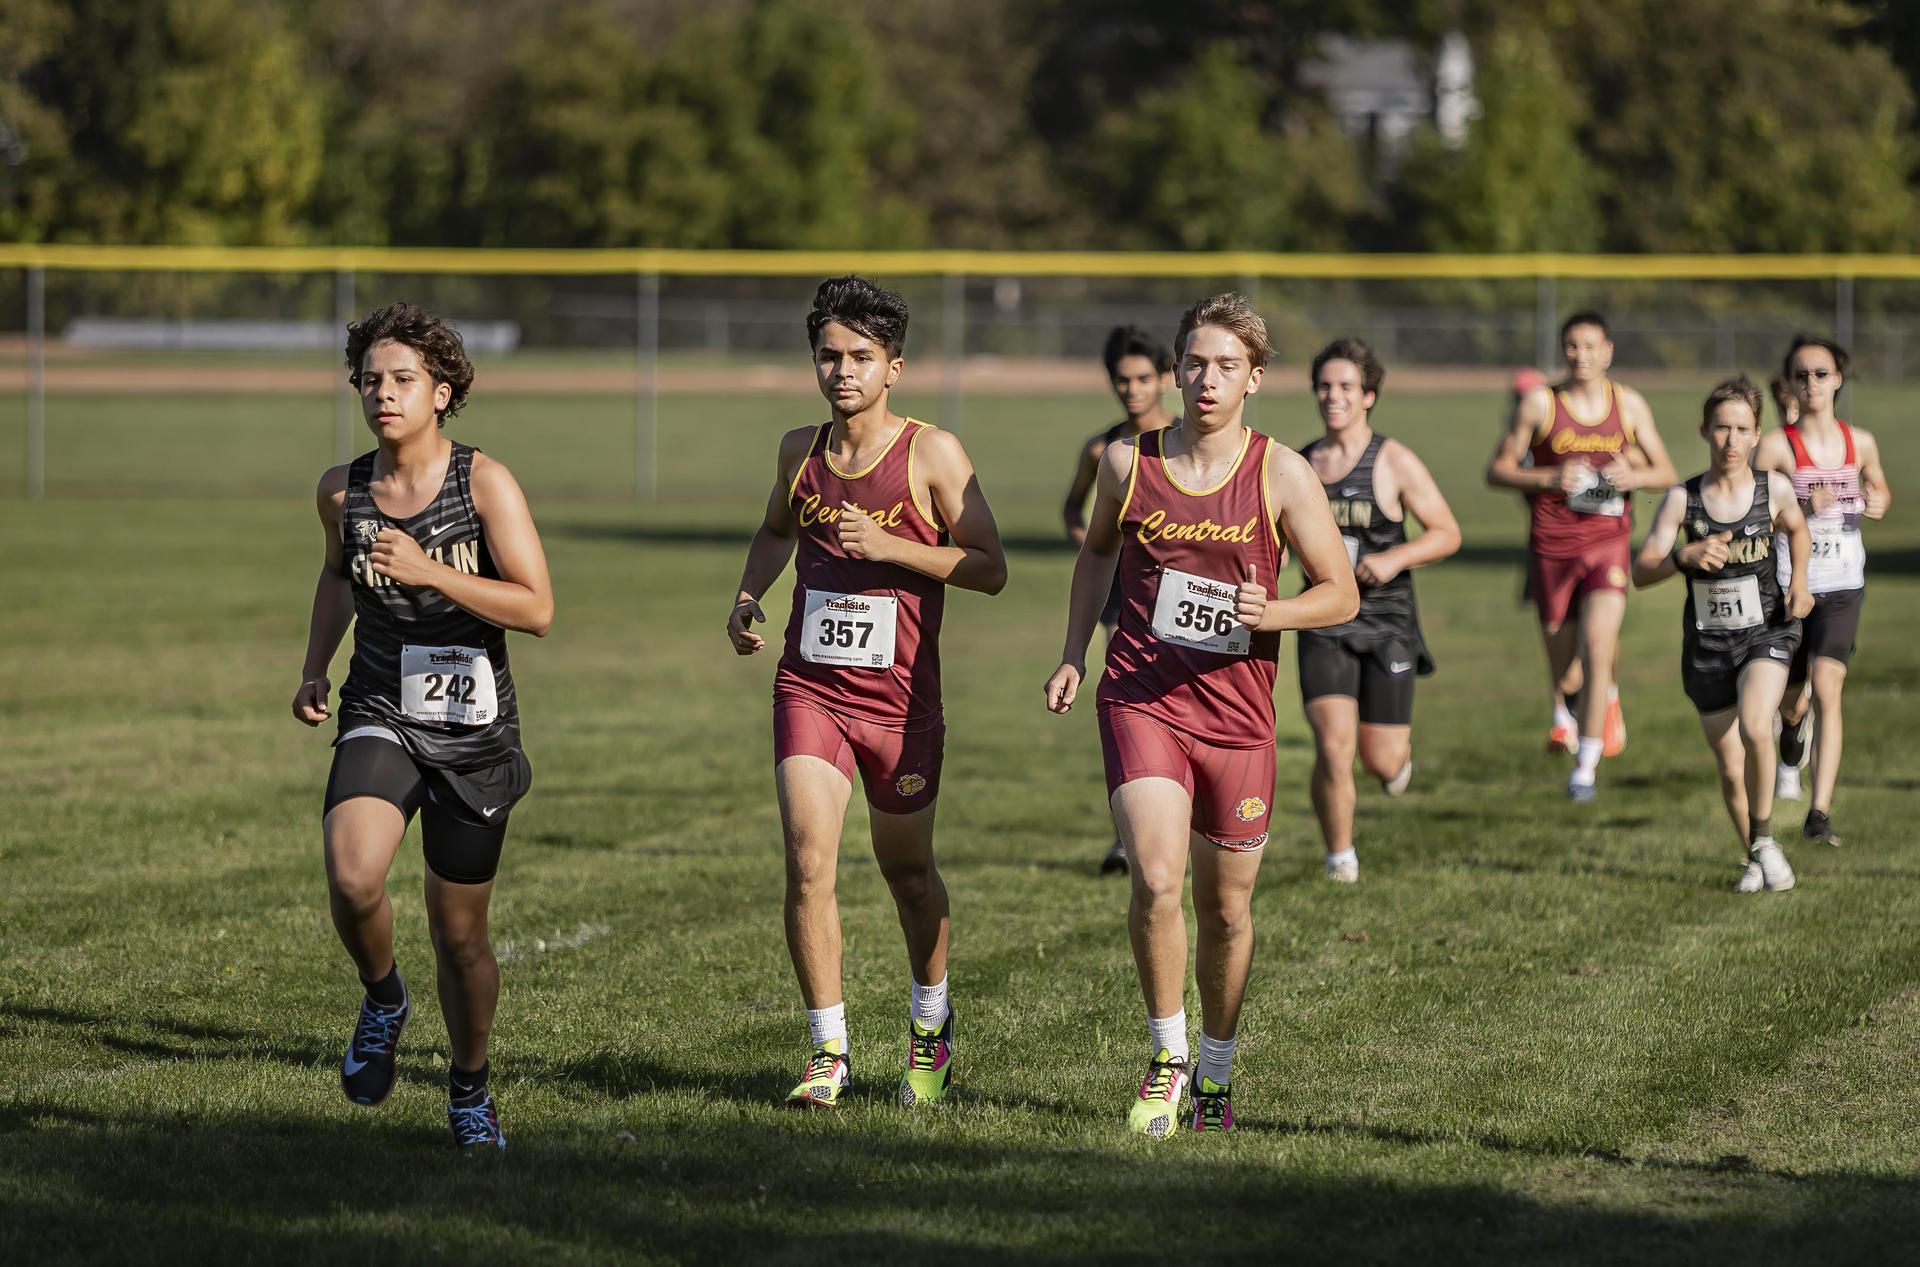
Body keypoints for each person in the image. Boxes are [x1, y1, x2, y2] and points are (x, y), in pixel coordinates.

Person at [1043, 293, 1357, 1136]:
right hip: (1143, 697)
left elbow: (1341, 591)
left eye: (1225, 366)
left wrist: (1273, 614)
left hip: (1241, 719)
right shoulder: (1126, 463)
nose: (1206, 379)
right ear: (1176, 369)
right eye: (1195, 362)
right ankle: (1167, 1055)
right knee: (1155, 875)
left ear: (1255, 378)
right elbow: (1097, 551)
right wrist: (1075, 650)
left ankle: (1215, 1067)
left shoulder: (1282, 473)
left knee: (1227, 911)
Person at [727, 276, 1007, 1110]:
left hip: (902, 704)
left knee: (908, 872)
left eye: (860, 357)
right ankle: (827, 1051)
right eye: (829, 355)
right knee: (809, 862)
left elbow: (990, 567)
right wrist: (749, 598)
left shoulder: (933, 454)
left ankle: (929, 1020)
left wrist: (893, 545)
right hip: (810, 688)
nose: (841, 371)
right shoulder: (798, 451)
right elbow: (777, 530)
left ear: (894, 368)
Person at [293, 303, 554, 1149]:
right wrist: (312, 667)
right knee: (354, 874)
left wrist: (431, 569)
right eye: (370, 380)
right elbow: (338, 578)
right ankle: (382, 996)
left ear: (441, 392)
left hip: (474, 728)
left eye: (402, 379)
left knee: (461, 934)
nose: (383, 393)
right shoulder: (344, 488)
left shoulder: (484, 482)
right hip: (380, 705)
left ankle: (470, 1087)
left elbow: (538, 608)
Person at [1487, 312, 1677, 802]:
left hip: (1606, 543)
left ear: (1608, 351)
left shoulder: (1628, 404)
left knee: (1598, 649)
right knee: (1567, 671)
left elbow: (1666, 470)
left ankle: (1585, 769)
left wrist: (1635, 476)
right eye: (1572, 346)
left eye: (1591, 346)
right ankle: (1589, 702)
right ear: (1563, 350)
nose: (1581, 355)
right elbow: (1499, 470)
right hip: (1551, 547)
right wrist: (1549, 478)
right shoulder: (1540, 404)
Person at [1630, 377, 1811, 891]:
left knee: (1757, 726)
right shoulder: (1680, 500)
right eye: (1721, 428)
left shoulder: (1771, 488)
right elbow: (1641, 572)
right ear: (1705, 431)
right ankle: (1756, 852)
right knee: (1732, 769)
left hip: (1767, 634)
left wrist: (1798, 579)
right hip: (1709, 644)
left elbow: (1796, 527)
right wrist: (1682, 556)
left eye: (1741, 429)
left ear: (1757, 435)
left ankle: (1767, 840)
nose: (1731, 440)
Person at [1298, 339, 1460, 883]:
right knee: (1331, 745)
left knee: (1381, 760)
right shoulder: (1298, 466)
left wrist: (1394, 559)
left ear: (1368, 395)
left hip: (1389, 624)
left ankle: (1395, 763)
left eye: (1346, 386)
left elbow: (1447, 533)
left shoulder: (1393, 461)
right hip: (1323, 622)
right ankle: (1339, 856)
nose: (1333, 396)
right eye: (1324, 385)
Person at [1752, 336, 1892, 841]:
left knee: (1829, 689)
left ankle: (1819, 813)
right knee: (1793, 701)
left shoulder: (1863, 442)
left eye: (1821, 373)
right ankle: (1792, 736)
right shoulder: (1776, 446)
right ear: (1790, 383)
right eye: (1802, 375)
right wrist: (1802, 512)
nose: (1811, 383)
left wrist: (1878, 501)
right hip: (1792, 586)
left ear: (1838, 379)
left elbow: (1878, 487)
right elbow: (1754, 518)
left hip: (1842, 585)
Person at [1063, 326, 1176, 875]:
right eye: (1122, 380)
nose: (1132, 390)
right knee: (1126, 702)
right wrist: (1091, 544)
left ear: (1166, 380)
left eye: (1142, 379)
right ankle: (1127, 836)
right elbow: (1072, 512)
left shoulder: (1186, 444)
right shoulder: (1104, 451)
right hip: (1120, 594)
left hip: (1181, 593)